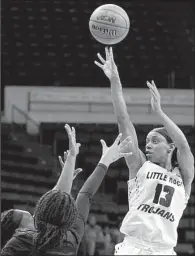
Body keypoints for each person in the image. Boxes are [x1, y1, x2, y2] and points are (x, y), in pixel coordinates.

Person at [95, 47, 194, 255]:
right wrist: (115, 82)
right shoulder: (140, 165)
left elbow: (184, 145)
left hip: (165, 250)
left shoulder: (183, 176)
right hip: (134, 247)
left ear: (170, 147)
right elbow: (124, 121)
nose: (147, 145)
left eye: (155, 141)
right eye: (146, 141)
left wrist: (159, 111)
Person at [2, 123, 133, 255]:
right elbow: (84, 195)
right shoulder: (70, 240)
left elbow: (61, 199)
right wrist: (105, 160)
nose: (34, 216)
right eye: (31, 218)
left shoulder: (19, 242)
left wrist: (70, 166)